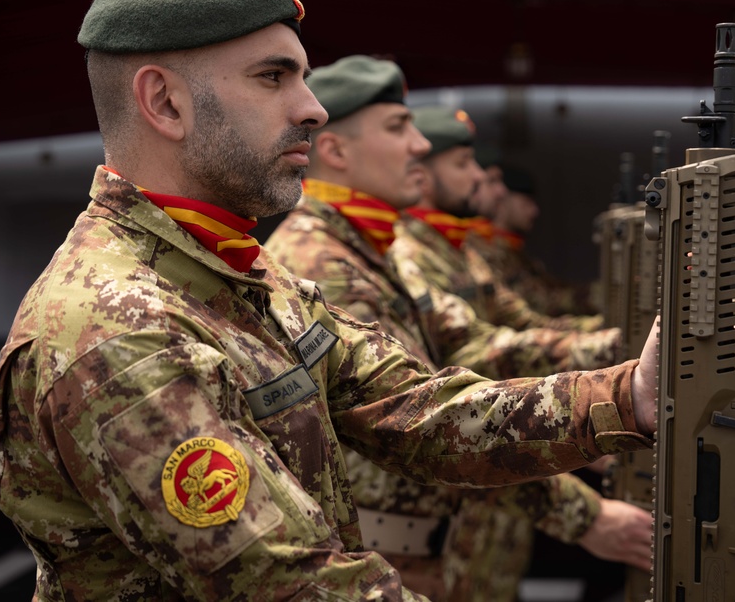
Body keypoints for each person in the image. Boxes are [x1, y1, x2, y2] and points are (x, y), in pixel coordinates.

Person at [0, 0, 735, 600]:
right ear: (163, 103)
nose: (312, 107)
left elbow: (417, 411)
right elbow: (293, 583)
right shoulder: (118, 331)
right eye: (273, 76)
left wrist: (632, 396)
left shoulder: (239, 278)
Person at [264, 55, 651, 601]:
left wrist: (620, 356)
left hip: (428, 544)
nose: (420, 146)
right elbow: (423, 417)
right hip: (385, 558)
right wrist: (585, 506)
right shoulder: (322, 265)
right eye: (399, 128)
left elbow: (477, 344)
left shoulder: (380, 253)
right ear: (336, 150)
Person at [391, 106, 599, 334]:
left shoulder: (461, 249)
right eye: (463, 163)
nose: (478, 175)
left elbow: (523, 321)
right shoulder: (406, 252)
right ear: (422, 175)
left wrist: (607, 336)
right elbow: (471, 346)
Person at [465, 163, 599, 319]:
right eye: (526, 202)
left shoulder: (508, 251)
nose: (534, 211)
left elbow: (550, 290)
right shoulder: (479, 248)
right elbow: (541, 304)